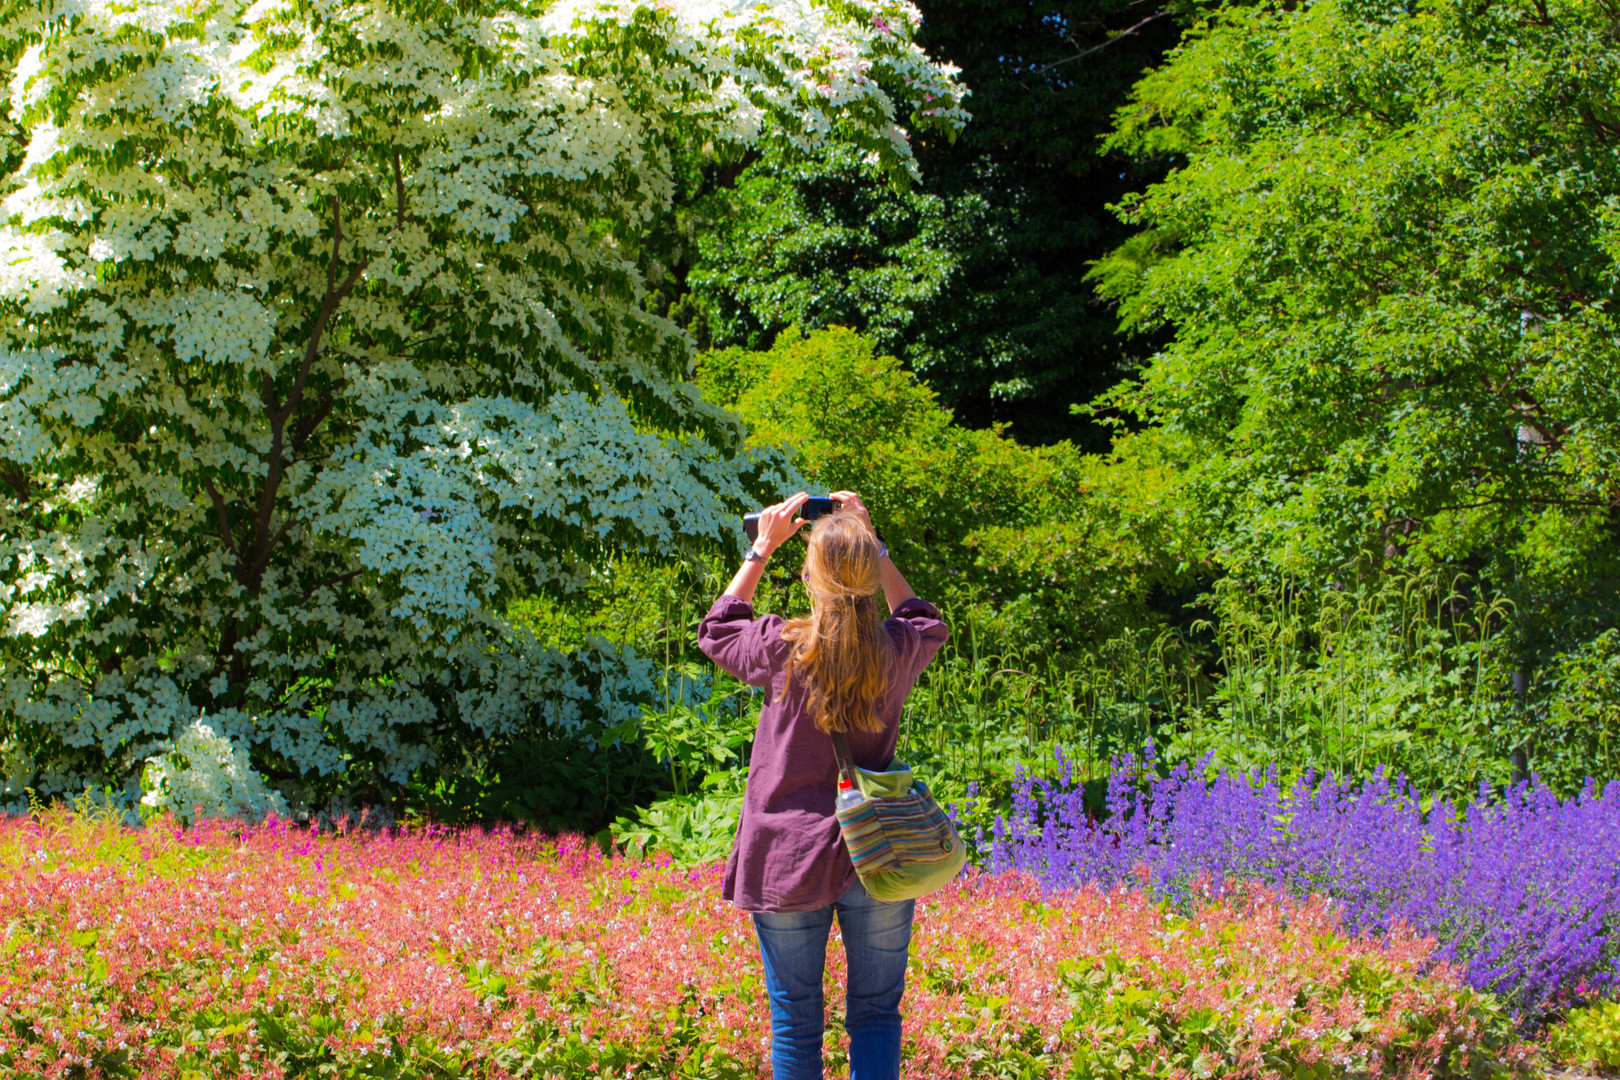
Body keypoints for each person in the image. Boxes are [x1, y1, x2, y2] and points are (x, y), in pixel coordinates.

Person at [697, 490, 949, 1080]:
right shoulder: (896, 647)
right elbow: (925, 618)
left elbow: (716, 627)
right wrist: (872, 542)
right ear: (866, 569)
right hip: (876, 851)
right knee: (877, 1011)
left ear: (811, 577)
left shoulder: (783, 646)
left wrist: (762, 547)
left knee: (794, 1016)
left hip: (788, 852)